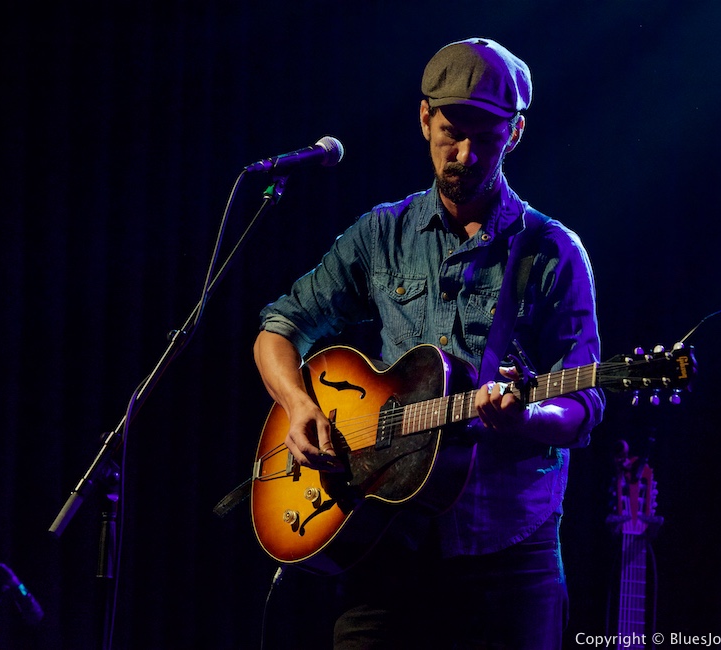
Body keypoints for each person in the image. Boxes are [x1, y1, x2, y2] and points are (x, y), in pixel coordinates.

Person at [253, 37, 604, 649]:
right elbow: (279, 328)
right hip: (387, 547)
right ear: (423, 119)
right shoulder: (380, 234)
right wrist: (302, 406)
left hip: (509, 554)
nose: (464, 155)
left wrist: (528, 414)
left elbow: (585, 401)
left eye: (485, 138)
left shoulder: (553, 252)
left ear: (515, 133)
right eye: (451, 132)